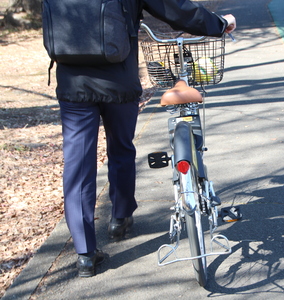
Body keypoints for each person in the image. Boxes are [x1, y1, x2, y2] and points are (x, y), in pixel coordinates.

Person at [54, 0, 236, 277]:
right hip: (118, 81)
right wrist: (219, 24)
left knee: (78, 167)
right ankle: (120, 218)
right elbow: (175, 10)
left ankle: (85, 254)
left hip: (72, 82)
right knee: (121, 149)